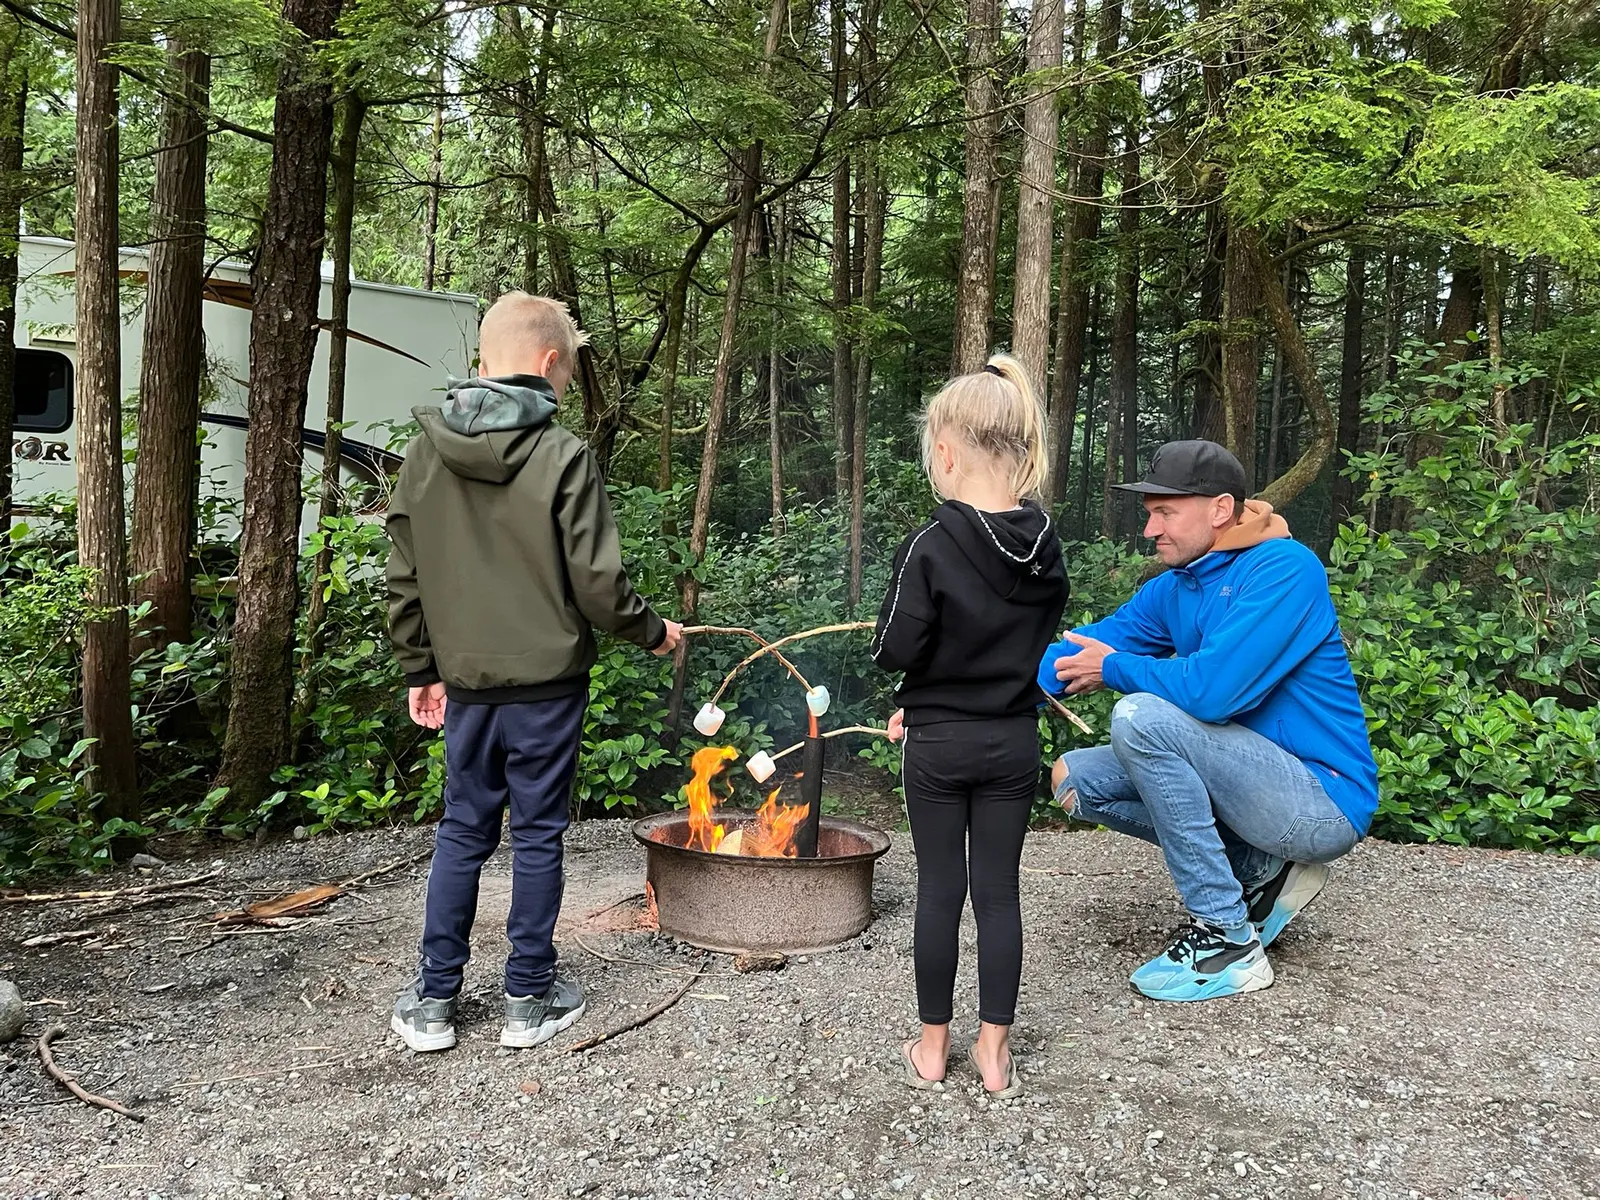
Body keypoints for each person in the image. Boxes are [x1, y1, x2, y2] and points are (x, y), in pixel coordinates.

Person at [385, 292, 683, 1052]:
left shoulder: (424, 452)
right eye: (570, 371)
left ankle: (432, 1001)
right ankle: (527, 996)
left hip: (466, 684)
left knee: (462, 831)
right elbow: (597, 584)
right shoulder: (562, 455)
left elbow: (405, 576)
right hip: (548, 687)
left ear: (485, 359)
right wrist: (653, 633)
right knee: (539, 835)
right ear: (551, 363)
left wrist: (422, 666)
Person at [1038, 439, 1377, 1002]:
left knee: (1141, 718)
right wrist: (951, 700)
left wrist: (1119, 669)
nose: (1150, 530)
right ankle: (1258, 870)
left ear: (1221, 509)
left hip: (1320, 802)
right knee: (1076, 779)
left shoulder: (1285, 572)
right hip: (1249, 785)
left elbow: (1214, 692)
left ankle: (1227, 939)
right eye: (1150, 514)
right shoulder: (1174, 587)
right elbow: (1076, 653)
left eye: (1165, 513)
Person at [874, 355, 1068, 1098]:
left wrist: (919, 696)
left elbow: (895, 645)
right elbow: (1020, 647)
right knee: (999, 893)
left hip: (938, 746)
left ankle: (931, 1051)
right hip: (1012, 741)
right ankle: (994, 1054)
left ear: (946, 452)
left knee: (939, 891)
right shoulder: (1046, 549)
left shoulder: (931, 544)